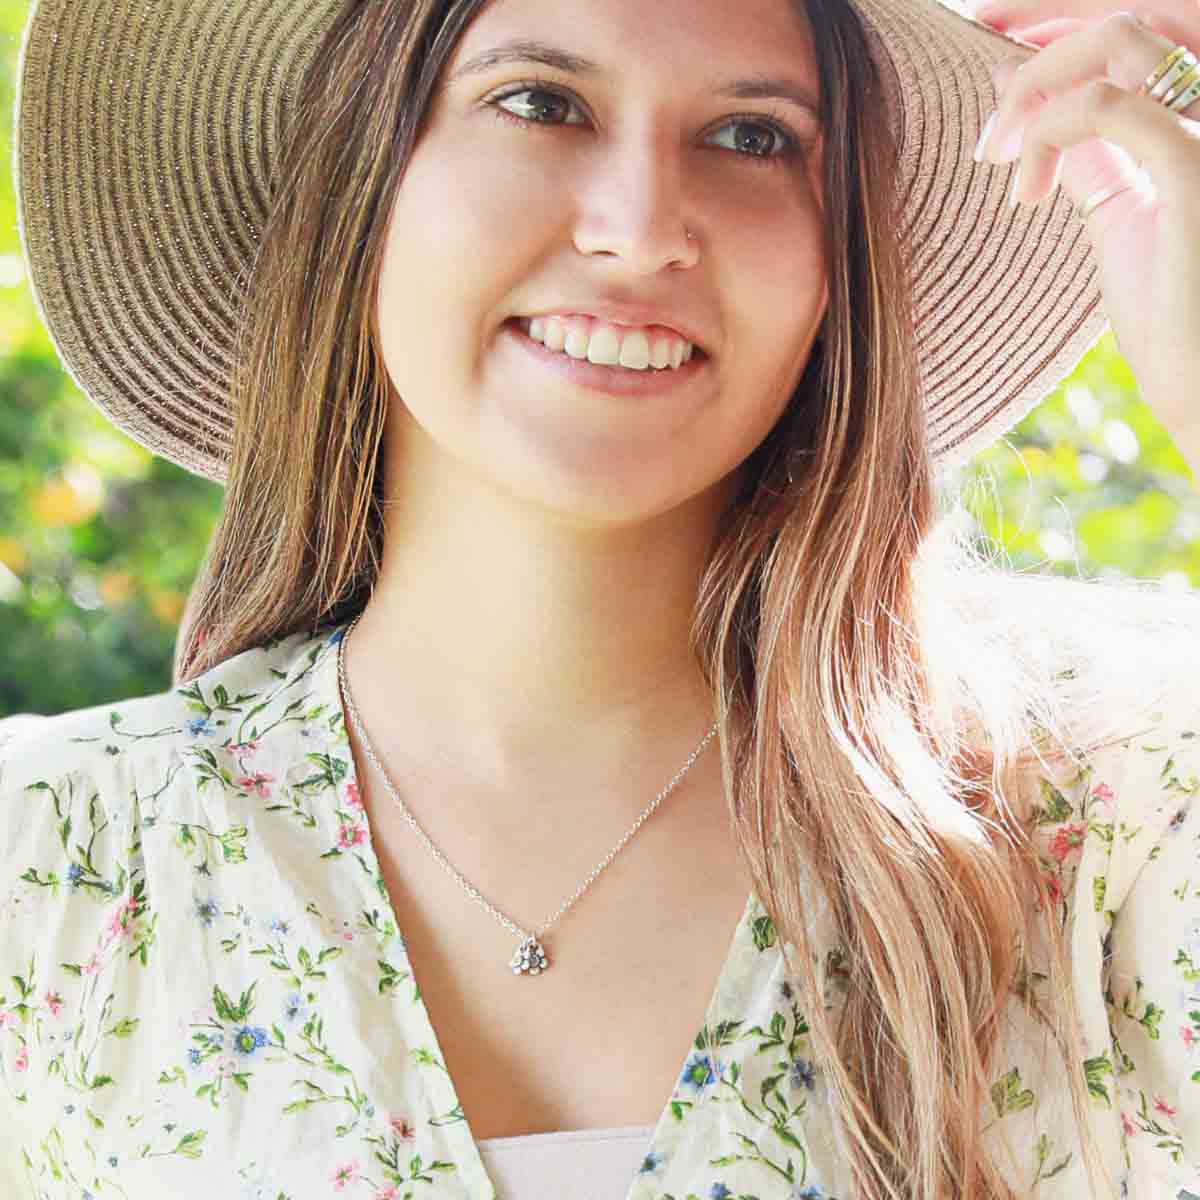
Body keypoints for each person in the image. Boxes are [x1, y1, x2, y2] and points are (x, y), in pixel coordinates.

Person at [1, 0, 1198, 1196]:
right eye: (540, 103)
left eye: (752, 137)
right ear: (358, 186)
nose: (639, 231)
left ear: (840, 262)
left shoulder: (1111, 823)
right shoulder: (48, 857)